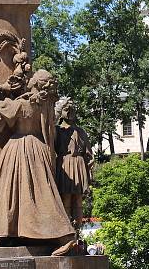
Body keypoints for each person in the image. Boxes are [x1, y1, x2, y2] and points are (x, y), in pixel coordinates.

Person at [0, 70, 77, 255]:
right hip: (39, 149)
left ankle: (66, 235)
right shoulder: (44, 105)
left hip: (20, 148)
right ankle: (15, 233)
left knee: (19, 193)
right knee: (36, 194)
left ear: (34, 83)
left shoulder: (21, 104)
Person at [55, 98, 94, 229]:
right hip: (64, 164)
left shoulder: (80, 131)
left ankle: (77, 227)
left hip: (78, 165)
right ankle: (66, 227)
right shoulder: (57, 130)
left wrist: (89, 166)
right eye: (67, 109)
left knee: (77, 198)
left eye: (73, 109)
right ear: (60, 112)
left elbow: (88, 153)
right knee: (65, 196)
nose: (70, 112)